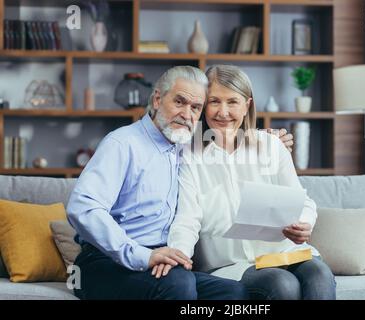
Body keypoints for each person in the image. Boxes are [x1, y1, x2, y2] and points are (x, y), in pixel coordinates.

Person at [66, 66, 249, 300]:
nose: (187, 114)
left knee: (235, 292)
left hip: (163, 260)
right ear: (157, 99)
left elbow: (231, 140)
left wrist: (269, 140)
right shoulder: (122, 144)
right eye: (179, 102)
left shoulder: (186, 148)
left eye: (195, 108)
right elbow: (82, 207)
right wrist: (142, 255)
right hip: (102, 262)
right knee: (178, 284)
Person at [166, 65, 336, 300]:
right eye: (214, 101)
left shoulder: (272, 146)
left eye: (232, 102)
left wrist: (304, 223)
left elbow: (303, 202)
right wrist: (179, 256)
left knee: (319, 274)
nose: (223, 112)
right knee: (282, 285)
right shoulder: (190, 156)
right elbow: (187, 218)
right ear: (204, 106)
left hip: (285, 253)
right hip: (233, 265)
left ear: (247, 106)